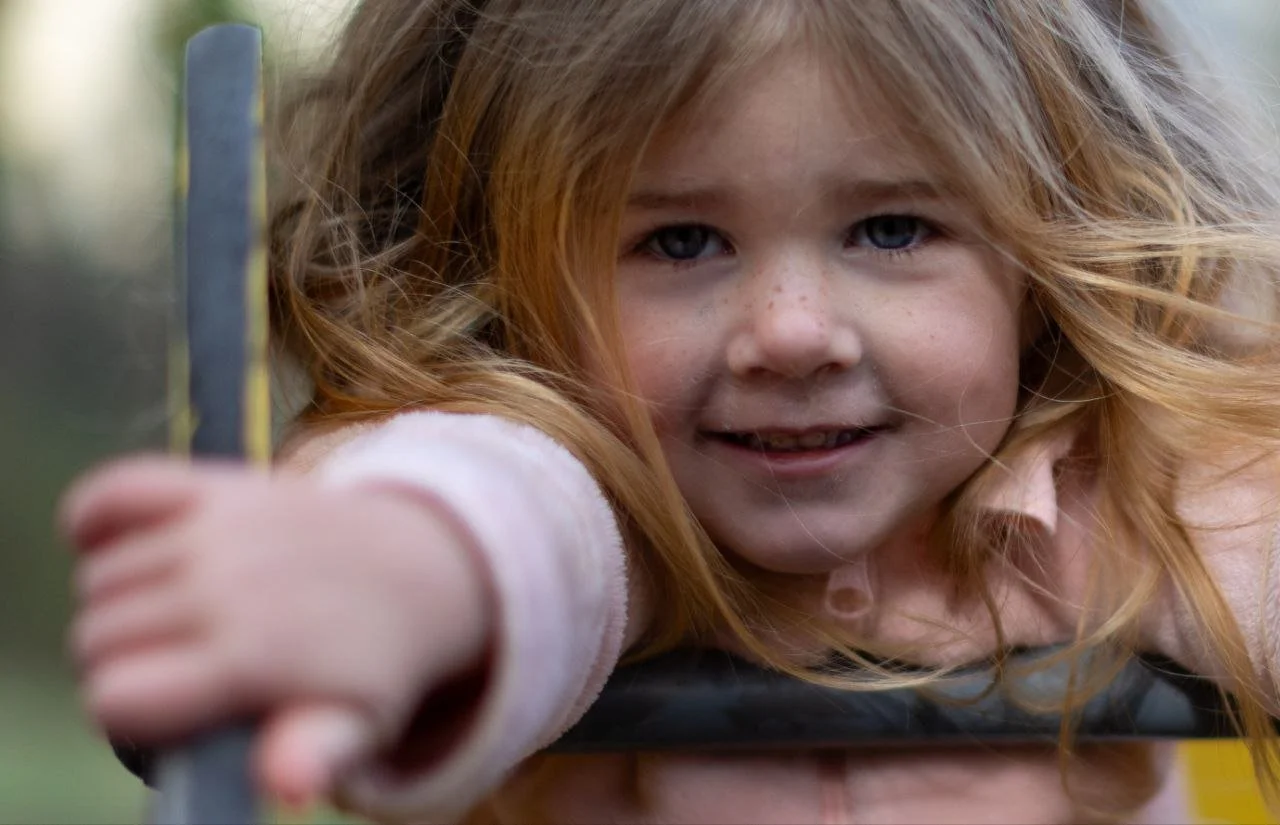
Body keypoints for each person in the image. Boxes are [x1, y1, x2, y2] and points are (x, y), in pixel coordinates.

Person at [60, 0, 1280, 821]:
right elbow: (511, 509)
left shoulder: (1102, 490)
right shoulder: (598, 485)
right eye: (680, 240)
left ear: (1037, 260)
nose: (792, 331)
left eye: (891, 227)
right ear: (513, 272)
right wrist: (404, 570)